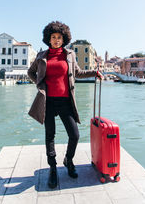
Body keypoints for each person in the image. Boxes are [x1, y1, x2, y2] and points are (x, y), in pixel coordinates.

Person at [27, 21, 103, 188]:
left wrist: (94, 72)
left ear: (64, 39)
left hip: (65, 101)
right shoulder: (41, 56)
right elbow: (30, 72)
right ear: (48, 39)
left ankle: (68, 160)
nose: (56, 40)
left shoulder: (69, 55)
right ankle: (53, 169)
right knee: (50, 136)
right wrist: (39, 84)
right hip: (47, 101)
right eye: (53, 37)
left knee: (74, 135)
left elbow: (77, 73)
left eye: (59, 37)